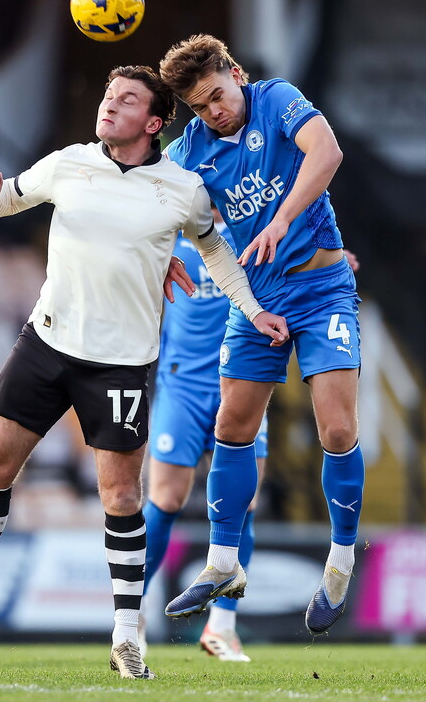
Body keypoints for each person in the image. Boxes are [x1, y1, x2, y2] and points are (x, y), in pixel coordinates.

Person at [0, 64, 288, 680]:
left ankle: (126, 638)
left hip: (120, 364)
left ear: (155, 122)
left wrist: (254, 309)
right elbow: (7, 202)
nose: (109, 105)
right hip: (47, 342)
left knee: (120, 497)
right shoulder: (68, 162)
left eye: (126, 100)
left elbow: (214, 252)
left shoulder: (182, 189)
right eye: (108, 94)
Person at [158, 35, 364, 636]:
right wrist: (159, 251)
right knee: (231, 426)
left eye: (218, 96)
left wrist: (280, 219)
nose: (214, 112)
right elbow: (153, 205)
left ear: (237, 75)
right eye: (199, 106)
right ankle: (222, 565)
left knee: (338, 428)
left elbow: (326, 154)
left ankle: (341, 561)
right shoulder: (190, 151)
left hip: (322, 286)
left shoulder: (276, 100)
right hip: (255, 299)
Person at [143, 230, 359, 660]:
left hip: (242, 383)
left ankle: (222, 627)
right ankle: (133, 616)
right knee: (164, 499)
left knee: (246, 503)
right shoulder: (172, 224)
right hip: (182, 383)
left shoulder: (254, 231)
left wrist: (325, 266)